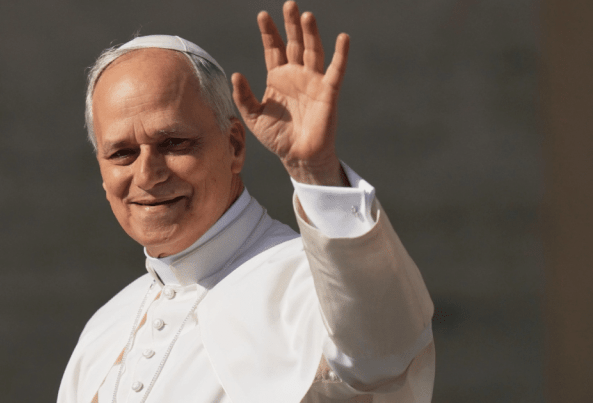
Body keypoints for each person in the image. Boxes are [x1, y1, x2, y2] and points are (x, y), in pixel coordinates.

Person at [58, 2, 434, 402]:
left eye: (174, 143)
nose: (148, 174)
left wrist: (316, 171)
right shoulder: (105, 329)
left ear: (234, 146)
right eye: (122, 153)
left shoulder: (311, 282)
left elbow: (382, 354)